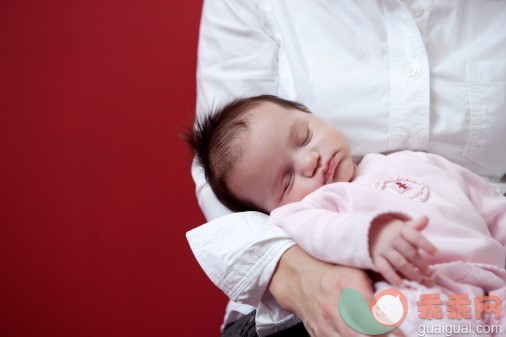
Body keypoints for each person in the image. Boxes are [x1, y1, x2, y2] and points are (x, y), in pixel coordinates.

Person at [187, 1, 506, 336]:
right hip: (406, 289)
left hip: (490, 278)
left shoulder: (413, 163)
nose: (310, 161)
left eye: (305, 136)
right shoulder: (307, 210)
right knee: (396, 314)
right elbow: (326, 233)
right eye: (286, 181)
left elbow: (487, 203)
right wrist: (371, 237)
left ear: (313, 116)